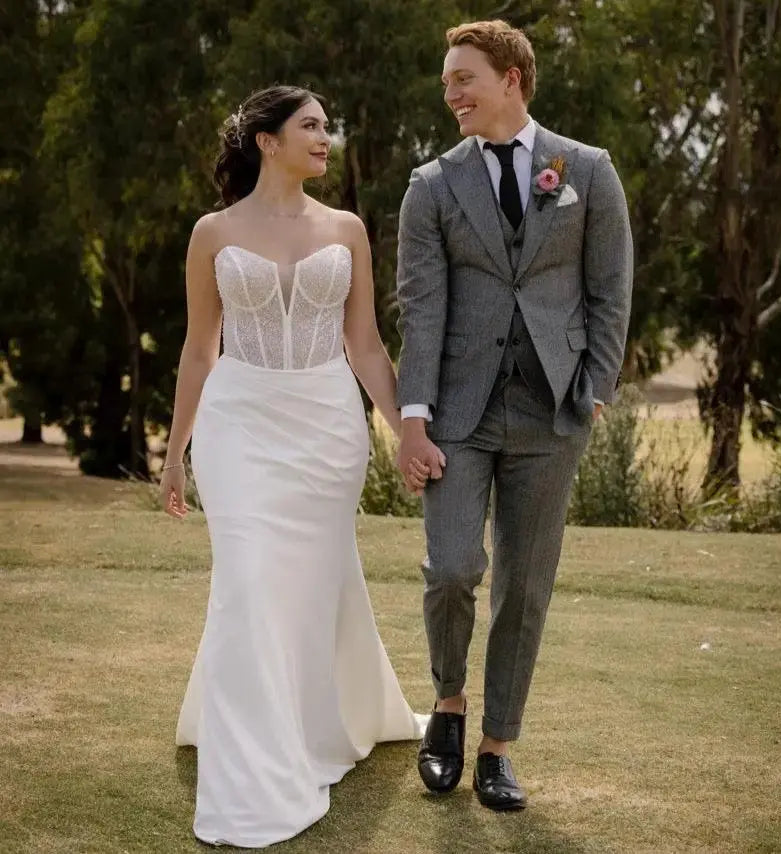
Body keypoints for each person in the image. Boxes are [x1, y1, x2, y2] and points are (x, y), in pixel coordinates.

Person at [159, 84, 426, 848]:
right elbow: (199, 348)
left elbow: (366, 345)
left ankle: (315, 725)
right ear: (265, 141)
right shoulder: (212, 232)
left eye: (327, 127)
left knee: (308, 589)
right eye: (310, 127)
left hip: (324, 427)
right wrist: (175, 452)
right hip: (237, 423)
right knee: (246, 584)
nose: (325, 138)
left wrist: (407, 428)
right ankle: (253, 774)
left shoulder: (347, 228)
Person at [395, 20, 633, 810]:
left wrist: (597, 382)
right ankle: (449, 708)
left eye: (464, 78)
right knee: (454, 566)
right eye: (446, 83)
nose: (452, 94)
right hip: (458, 411)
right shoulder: (430, 185)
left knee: (525, 587)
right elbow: (421, 308)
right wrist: (413, 418)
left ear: (512, 80)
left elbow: (610, 287)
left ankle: (497, 747)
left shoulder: (587, 171)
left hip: (551, 411)